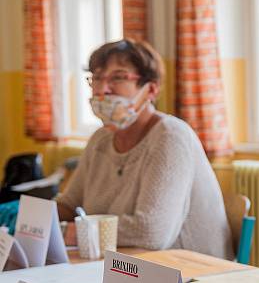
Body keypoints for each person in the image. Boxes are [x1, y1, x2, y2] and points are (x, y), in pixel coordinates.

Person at [56, 39, 233, 260]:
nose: (102, 89)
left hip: (190, 275)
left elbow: (151, 233)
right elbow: (70, 204)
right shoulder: (100, 140)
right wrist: (34, 219)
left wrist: (77, 231)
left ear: (151, 89)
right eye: (97, 78)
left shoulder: (170, 138)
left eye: (118, 77)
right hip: (124, 267)